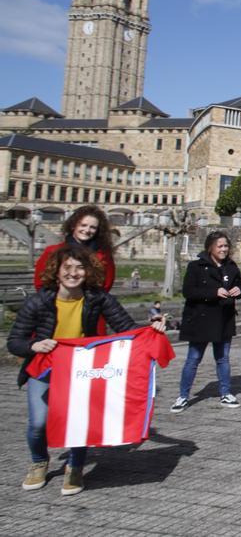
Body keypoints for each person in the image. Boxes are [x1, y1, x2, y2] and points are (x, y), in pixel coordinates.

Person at [9, 245, 166, 495]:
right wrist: (34, 345)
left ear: (87, 271)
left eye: (79, 267)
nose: (73, 273)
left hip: (79, 369)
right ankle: (39, 460)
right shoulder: (39, 301)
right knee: (38, 422)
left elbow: (125, 327)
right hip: (44, 367)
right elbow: (14, 341)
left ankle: (75, 465)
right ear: (57, 271)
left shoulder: (96, 298)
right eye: (67, 267)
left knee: (80, 420)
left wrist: (151, 327)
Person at [171, 231, 241, 412]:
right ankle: (183, 396)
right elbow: (189, 291)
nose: (223, 249)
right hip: (201, 320)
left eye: (226, 246)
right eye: (220, 246)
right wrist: (213, 293)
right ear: (210, 247)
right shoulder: (196, 266)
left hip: (223, 319)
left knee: (223, 359)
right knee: (193, 359)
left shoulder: (231, 266)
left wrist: (239, 290)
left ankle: (226, 393)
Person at [34, 205, 117, 335]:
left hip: (90, 311)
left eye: (92, 227)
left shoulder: (103, 255)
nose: (87, 230)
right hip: (55, 309)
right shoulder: (53, 251)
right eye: (83, 225)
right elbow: (40, 283)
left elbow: (106, 285)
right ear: (73, 225)